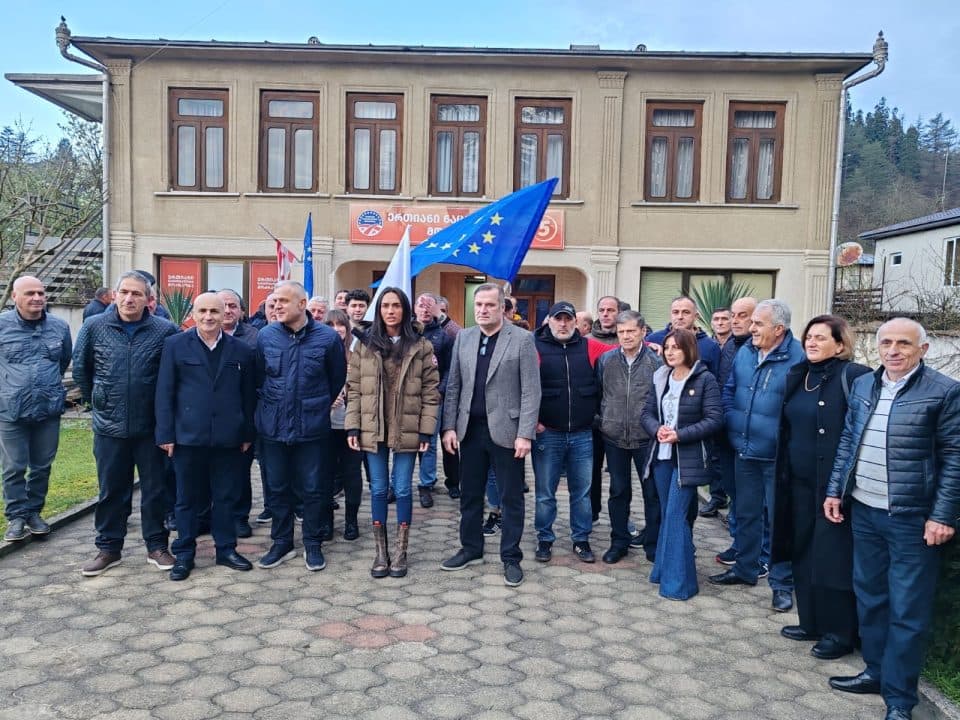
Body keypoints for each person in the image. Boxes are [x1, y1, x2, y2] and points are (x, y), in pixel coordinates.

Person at [825, 318, 960, 720]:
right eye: (886, 342)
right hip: (864, 510)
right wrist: (835, 490)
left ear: (923, 349)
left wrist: (942, 515)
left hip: (911, 518)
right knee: (870, 597)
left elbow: (955, 457)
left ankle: (900, 699)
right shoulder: (865, 385)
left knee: (907, 608)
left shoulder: (944, 391)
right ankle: (876, 672)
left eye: (904, 343)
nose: (893, 350)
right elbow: (848, 440)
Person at [772, 315, 870, 658]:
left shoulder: (854, 376)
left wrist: (839, 486)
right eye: (809, 337)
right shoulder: (799, 375)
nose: (811, 343)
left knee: (833, 559)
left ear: (840, 345)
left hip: (834, 489)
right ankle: (810, 621)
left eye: (821, 338)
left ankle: (840, 634)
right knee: (802, 551)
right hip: (797, 482)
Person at [73, 271, 178, 576]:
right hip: (110, 426)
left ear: (148, 300)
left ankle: (157, 546)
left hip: (150, 428)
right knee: (111, 490)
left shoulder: (165, 330)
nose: (129, 299)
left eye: (137, 294)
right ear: (115, 295)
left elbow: (172, 376)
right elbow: (81, 369)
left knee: (156, 490)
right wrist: (99, 400)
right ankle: (108, 548)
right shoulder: (94, 326)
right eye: (124, 292)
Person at [440, 283, 541, 587]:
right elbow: (454, 385)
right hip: (469, 430)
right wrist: (449, 426)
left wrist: (525, 434)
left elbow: (531, 391)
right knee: (470, 494)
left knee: (511, 498)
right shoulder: (464, 338)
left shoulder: (522, 339)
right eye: (479, 305)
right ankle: (471, 548)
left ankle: (510, 557)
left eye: (490, 305)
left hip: (508, 432)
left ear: (502, 308)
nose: (483, 310)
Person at [154, 293, 257, 580]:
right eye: (203, 311)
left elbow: (248, 396)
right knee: (187, 499)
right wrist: (165, 434)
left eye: (215, 311)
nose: (209, 317)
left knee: (225, 497)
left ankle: (226, 549)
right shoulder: (175, 345)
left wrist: (247, 432)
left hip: (228, 438)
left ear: (225, 314)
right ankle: (184, 554)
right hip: (187, 437)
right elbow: (164, 392)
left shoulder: (242, 350)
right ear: (193, 314)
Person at [709, 299, 803, 614]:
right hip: (744, 449)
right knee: (746, 513)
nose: (751, 328)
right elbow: (730, 389)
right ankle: (745, 569)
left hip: (778, 455)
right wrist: (728, 419)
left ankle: (782, 584)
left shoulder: (798, 357)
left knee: (779, 521)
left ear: (779, 329)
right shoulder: (746, 352)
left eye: (758, 323)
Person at [346, 288, 440, 578]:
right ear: (378, 310)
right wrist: (352, 425)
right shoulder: (364, 344)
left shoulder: (421, 346)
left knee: (402, 488)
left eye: (396, 305)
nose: (390, 311)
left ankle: (401, 550)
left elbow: (431, 392)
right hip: (373, 427)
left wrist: (426, 431)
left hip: (406, 427)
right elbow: (354, 388)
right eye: (385, 305)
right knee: (377, 488)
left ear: (405, 310)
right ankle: (380, 551)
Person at [254, 280, 346, 572]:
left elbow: (336, 378)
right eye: (274, 301)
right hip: (274, 427)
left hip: (312, 428)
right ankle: (281, 543)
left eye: (283, 301)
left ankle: (313, 543)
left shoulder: (327, 338)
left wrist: (315, 406)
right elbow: (259, 378)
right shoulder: (265, 336)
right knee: (277, 488)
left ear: (302, 304)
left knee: (314, 489)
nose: (276, 306)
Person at [640, 328, 722, 599]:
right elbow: (646, 413)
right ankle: (664, 571)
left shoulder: (705, 379)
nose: (670, 352)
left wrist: (679, 434)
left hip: (687, 460)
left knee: (676, 516)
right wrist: (657, 429)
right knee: (668, 515)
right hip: (661, 458)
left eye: (676, 347)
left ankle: (679, 586)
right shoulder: (661, 376)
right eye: (667, 347)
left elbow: (714, 419)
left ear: (689, 349)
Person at [532, 301, 607, 563]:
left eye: (568, 319)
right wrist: (532, 421)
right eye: (558, 319)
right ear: (549, 321)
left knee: (582, 492)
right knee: (545, 493)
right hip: (547, 433)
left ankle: (581, 539)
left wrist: (650, 345)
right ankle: (544, 538)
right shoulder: (533, 346)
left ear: (576, 322)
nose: (563, 324)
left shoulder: (588, 346)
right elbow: (522, 384)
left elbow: (620, 350)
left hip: (582, 433)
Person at [0, 276, 72, 542]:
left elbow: (63, 361)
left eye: (41, 293)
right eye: (30, 293)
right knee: (14, 467)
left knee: (42, 466)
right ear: (14, 297)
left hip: (47, 409)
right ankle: (16, 517)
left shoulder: (59, 327)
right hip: (11, 410)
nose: (37, 298)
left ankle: (34, 513)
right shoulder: (2, 326)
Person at [596, 310, 662, 564]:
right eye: (621, 332)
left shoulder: (656, 362)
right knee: (618, 491)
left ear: (643, 332)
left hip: (646, 438)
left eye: (631, 331)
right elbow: (600, 393)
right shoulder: (606, 360)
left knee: (651, 493)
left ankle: (652, 544)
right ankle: (619, 542)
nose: (626, 336)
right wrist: (603, 420)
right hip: (614, 437)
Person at [707, 297, 757, 528]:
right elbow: (723, 385)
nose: (735, 321)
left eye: (742, 316)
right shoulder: (730, 346)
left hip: (751, 433)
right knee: (731, 484)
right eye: (733, 315)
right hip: (727, 426)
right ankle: (737, 534)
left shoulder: (758, 349)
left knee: (749, 493)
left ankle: (743, 538)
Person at [217, 288, 258, 537]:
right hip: (207, 417)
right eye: (222, 306)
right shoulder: (194, 336)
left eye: (233, 306)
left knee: (240, 471)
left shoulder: (254, 338)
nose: (227, 310)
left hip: (241, 415)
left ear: (242, 311)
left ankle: (240, 517)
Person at [411, 292, 453, 508]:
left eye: (429, 305)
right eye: (421, 305)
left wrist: (441, 391)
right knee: (404, 442)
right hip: (407, 399)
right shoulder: (405, 332)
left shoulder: (443, 336)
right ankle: (396, 483)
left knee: (429, 443)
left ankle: (426, 484)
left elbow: (449, 369)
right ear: (414, 308)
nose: (425, 309)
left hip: (432, 398)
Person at [324, 309, 362, 540]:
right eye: (331, 325)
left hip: (350, 426)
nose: (336, 329)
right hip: (325, 426)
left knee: (352, 475)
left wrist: (349, 391)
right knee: (325, 476)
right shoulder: (320, 351)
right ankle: (327, 522)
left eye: (341, 325)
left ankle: (351, 521)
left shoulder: (357, 353)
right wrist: (327, 399)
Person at [587, 295, 622, 523]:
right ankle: (592, 512)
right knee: (592, 470)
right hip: (594, 417)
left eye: (611, 310)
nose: (606, 314)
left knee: (619, 475)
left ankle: (620, 518)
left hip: (620, 417)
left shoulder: (627, 337)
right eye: (602, 310)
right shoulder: (586, 341)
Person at [646, 296, 721, 378]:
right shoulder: (653, 339)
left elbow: (716, 380)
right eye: (675, 312)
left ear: (696, 316)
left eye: (686, 312)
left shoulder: (710, 346)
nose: (680, 317)